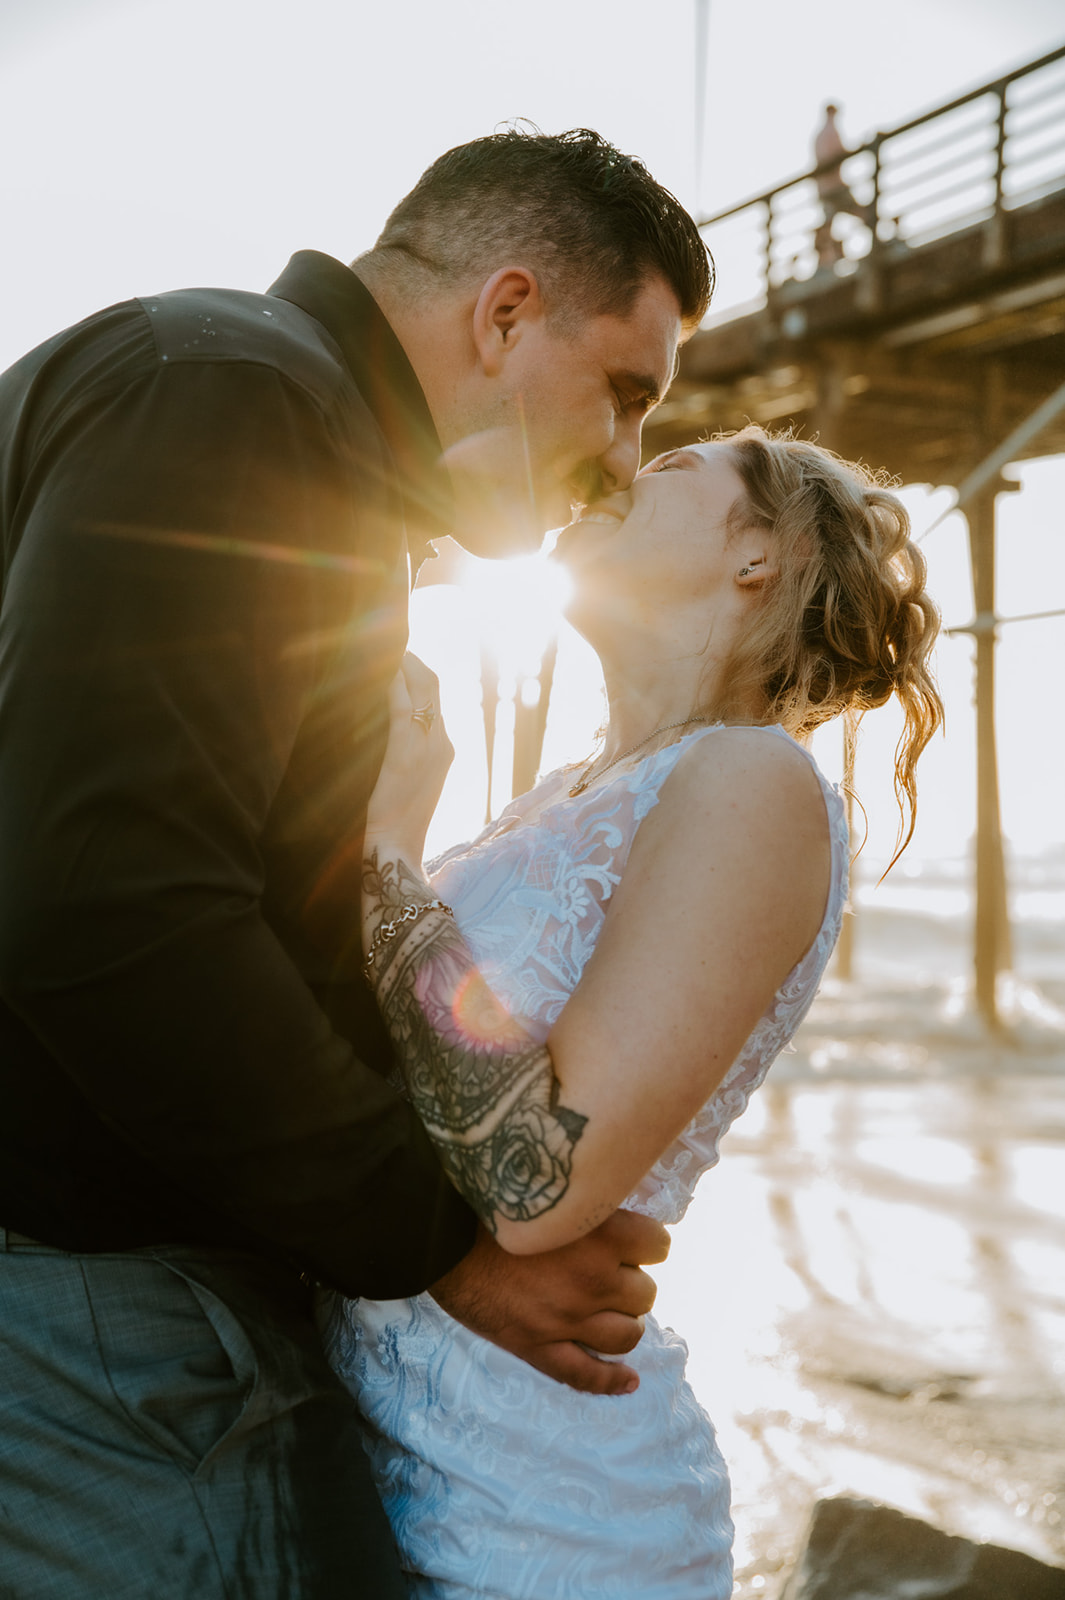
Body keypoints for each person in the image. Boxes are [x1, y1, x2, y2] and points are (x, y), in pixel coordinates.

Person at [0, 129, 713, 1595]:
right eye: (626, 395)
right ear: (505, 311)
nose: (625, 462)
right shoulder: (234, 403)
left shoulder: (246, 404)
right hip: (95, 1306)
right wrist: (439, 1246)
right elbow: (110, 910)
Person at [322, 425, 944, 1597]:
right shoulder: (557, 793)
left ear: (758, 554)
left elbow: (537, 1180)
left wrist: (388, 861)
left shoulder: (755, 783)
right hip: (384, 1456)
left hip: (543, 1510)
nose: (612, 473)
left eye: (666, 471)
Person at [813, 101, 876, 266]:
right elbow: (836, 155)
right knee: (862, 213)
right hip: (835, 187)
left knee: (828, 224)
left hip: (824, 189)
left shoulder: (819, 135)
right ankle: (878, 244)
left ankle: (824, 262)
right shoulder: (830, 132)